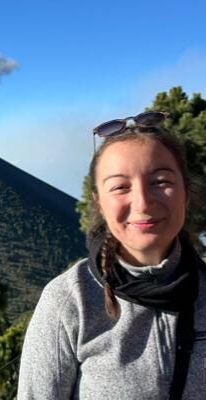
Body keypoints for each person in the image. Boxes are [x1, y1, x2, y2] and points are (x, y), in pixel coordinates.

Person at [17, 112, 206, 400]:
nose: (143, 202)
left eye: (160, 181)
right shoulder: (70, 302)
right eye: (120, 187)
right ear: (100, 204)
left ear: (186, 193)